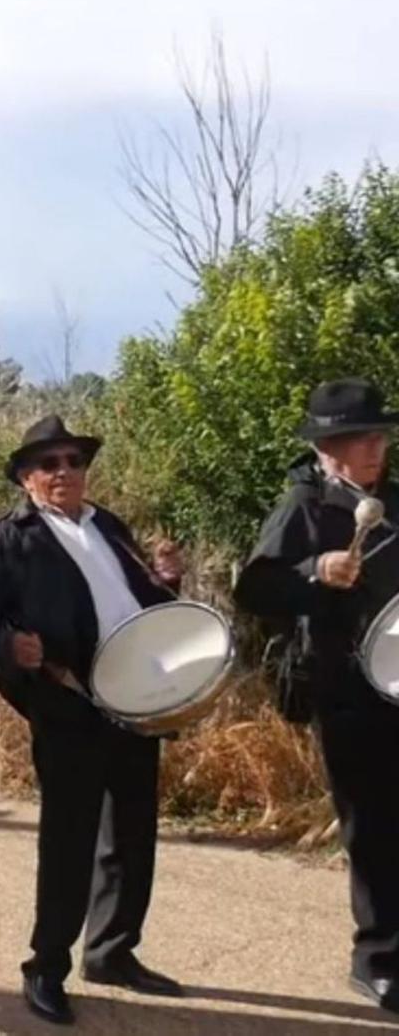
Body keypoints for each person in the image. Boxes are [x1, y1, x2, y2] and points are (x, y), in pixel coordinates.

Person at [0, 414, 184, 1026]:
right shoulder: (10, 538)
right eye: (49, 464)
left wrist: (165, 584)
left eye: (74, 462)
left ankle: (112, 951)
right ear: (26, 478)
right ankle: (46, 968)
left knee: (133, 834)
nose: (65, 472)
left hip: (135, 698)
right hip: (69, 702)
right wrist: (14, 648)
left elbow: (142, 605)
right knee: (70, 842)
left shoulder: (109, 526)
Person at [234, 378, 399, 1016]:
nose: (374, 449)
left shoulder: (394, 501)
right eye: (360, 439)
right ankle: (378, 961)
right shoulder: (305, 505)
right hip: (347, 687)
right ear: (328, 448)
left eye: (379, 437)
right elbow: (254, 588)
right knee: (374, 826)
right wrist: (315, 572)